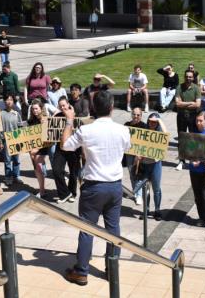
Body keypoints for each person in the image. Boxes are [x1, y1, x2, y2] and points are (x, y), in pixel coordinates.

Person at [61, 90, 131, 286]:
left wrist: (69, 120)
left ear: (93, 108)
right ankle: (112, 269)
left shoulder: (86, 130)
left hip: (93, 186)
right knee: (113, 229)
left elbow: (65, 145)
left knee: (87, 229)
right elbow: (126, 149)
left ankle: (82, 271)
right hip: (115, 186)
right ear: (112, 107)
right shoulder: (123, 130)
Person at [52, 97, 82, 203]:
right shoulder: (57, 116)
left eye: (64, 105)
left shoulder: (76, 115)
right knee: (56, 170)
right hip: (60, 148)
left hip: (74, 148)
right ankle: (64, 193)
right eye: (60, 106)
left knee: (73, 172)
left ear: (68, 104)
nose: (62, 107)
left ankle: (72, 193)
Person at [138, 113, 167, 221]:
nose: (152, 123)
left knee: (156, 189)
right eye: (150, 121)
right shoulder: (144, 131)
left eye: (155, 122)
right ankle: (146, 210)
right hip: (144, 163)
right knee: (146, 189)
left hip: (155, 164)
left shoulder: (159, 132)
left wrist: (159, 120)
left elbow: (166, 134)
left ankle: (157, 210)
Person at [174, 70, 201, 171]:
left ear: (193, 78)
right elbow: (177, 103)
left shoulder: (196, 88)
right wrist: (190, 102)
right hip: (181, 116)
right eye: (186, 76)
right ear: (184, 77)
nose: (188, 78)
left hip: (193, 116)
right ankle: (181, 160)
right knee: (182, 138)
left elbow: (198, 104)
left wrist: (183, 103)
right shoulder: (179, 87)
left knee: (193, 138)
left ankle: (193, 158)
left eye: (190, 77)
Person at [124, 107, 147, 205]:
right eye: (134, 114)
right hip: (129, 153)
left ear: (141, 116)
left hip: (140, 154)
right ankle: (136, 192)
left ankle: (139, 195)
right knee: (131, 173)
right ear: (131, 114)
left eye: (138, 115)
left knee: (138, 174)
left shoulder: (144, 126)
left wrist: (141, 154)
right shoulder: (126, 125)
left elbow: (147, 142)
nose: (136, 116)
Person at [0, 94, 22, 186]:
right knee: (8, 160)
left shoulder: (16, 113)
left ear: (13, 102)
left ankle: (16, 176)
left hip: (16, 140)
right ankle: (8, 177)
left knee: (16, 159)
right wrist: (0, 141)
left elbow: (20, 126)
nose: (9, 101)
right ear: (4, 101)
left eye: (11, 100)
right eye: (7, 100)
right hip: (6, 140)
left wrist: (21, 138)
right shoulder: (1, 114)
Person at [28, 99, 49, 198]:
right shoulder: (31, 121)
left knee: (37, 161)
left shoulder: (45, 119)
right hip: (33, 147)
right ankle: (42, 188)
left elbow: (47, 138)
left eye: (36, 108)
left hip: (45, 145)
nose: (34, 111)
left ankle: (42, 190)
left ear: (41, 109)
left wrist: (37, 148)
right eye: (33, 109)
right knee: (36, 168)